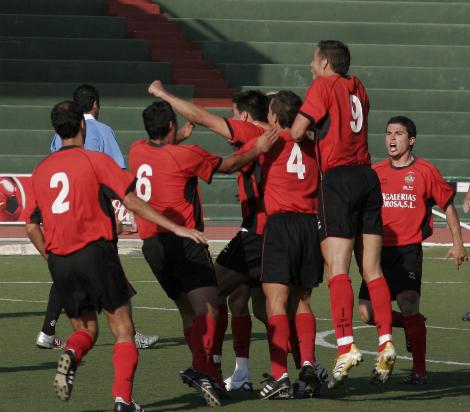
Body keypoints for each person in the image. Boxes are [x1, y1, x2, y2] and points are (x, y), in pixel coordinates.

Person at [25, 101, 206, 411]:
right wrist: (175, 228)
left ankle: (71, 352)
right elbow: (131, 201)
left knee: (85, 331)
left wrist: (51, 257)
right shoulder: (95, 160)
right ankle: (123, 399)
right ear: (82, 126)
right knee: (123, 330)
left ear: (55, 131)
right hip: (96, 252)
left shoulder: (40, 170)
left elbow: (31, 227)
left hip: (60, 260)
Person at [128, 95, 278, 406]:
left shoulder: (137, 150)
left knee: (188, 311)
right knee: (210, 305)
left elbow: (156, 148)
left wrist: (176, 137)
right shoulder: (186, 155)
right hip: (185, 241)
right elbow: (228, 164)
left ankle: (206, 372)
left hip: (152, 247)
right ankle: (203, 369)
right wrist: (258, 148)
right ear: (171, 125)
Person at [290, 40, 396, 387]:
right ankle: (385, 340)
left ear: (323, 62)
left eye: (312, 60)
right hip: (368, 176)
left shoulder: (322, 85)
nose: (310, 65)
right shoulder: (358, 85)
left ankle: (346, 345)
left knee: (337, 267)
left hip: (337, 179)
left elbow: (296, 131)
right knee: (373, 268)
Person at [37, 84, 159, 351]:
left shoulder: (60, 135)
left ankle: (48, 330)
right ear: (94, 104)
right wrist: (123, 214)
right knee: (109, 267)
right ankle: (131, 332)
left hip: (62, 210)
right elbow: (117, 171)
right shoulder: (101, 131)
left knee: (66, 264)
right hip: (93, 210)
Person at [228, 91, 324, 399]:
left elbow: (225, 136)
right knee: (302, 300)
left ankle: (280, 375)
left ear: (271, 117)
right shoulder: (314, 145)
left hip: (280, 225)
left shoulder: (268, 143)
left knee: (275, 301)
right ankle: (308, 364)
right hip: (310, 226)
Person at [358, 116, 468, 383]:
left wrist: (457, 244)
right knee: (367, 313)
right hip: (377, 250)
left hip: (407, 251)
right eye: (388, 133)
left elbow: (448, 207)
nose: (392, 138)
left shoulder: (425, 171)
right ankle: (411, 324)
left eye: (398, 133)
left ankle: (419, 370)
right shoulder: (376, 171)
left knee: (408, 304)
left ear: (411, 140)